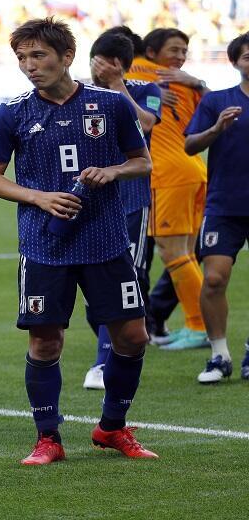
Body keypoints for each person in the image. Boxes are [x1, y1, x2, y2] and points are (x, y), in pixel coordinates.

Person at [0, 17, 156, 465]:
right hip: (45, 247)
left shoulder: (110, 105)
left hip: (106, 241)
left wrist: (112, 171)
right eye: (21, 57)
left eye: (38, 55)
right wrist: (38, 196)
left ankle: (112, 428)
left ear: (66, 57)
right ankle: (48, 438)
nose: (28, 66)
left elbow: (143, 163)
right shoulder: (11, 112)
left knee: (133, 336)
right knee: (45, 343)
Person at [82, 30, 162, 390]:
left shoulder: (146, 90)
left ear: (118, 65)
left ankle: (102, 363)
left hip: (132, 198)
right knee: (92, 289)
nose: (97, 70)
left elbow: (146, 124)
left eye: (103, 63)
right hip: (92, 200)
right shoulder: (80, 94)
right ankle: (117, 340)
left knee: (129, 280)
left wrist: (118, 86)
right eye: (93, 62)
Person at [126, 28, 210, 351]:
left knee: (173, 254)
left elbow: (102, 81)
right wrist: (197, 82)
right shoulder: (188, 83)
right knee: (186, 254)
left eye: (183, 51)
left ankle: (200, 325)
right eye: (174, 49)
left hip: (168, 173)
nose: (179, 56)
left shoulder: (134, 72)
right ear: (152, 50)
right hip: (193, 170)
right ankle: (197, 325)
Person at [183, 32, 249, 383]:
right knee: (213, 279)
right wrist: (217, 127)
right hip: (224, 205)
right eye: (247, 56)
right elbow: (190, 145)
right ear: (236, 61)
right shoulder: (218, 102)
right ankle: (219, 355)